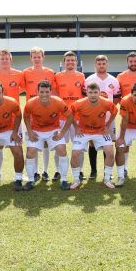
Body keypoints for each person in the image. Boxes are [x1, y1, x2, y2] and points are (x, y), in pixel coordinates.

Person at [23, 80, 74, 190]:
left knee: (62, 149)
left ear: (51, 91)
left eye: (47, 92)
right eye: (42, 92)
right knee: (30, 152)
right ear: (37, 92)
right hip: (36, 131)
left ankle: (64, 180)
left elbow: (70, 117)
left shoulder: (58, 102)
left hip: (53, 130)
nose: (44, 94)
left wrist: (62, 133)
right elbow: (26, 117)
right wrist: (30, 131)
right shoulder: (30, 103)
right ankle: (31, 180)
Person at [0, 49, 25, 183]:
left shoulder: (19, 74)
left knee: (17, 146)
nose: (4, 60)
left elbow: (25, 89)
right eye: (2, 58)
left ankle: (19, 174)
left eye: (7, 58)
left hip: (14, 115)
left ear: (10, 60)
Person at [70, 82, 118, 189]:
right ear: (86, 92)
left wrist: (108, 125)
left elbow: (115, 111)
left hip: (100, 131)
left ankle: (107, 180)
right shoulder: (79, 103)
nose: (92, 95)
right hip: (84, 132)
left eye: (95, 92)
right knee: (75, 154)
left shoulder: (106, 103)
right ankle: (76, 180)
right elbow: (70, 114)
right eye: (90, 92)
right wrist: (76, 127)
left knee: (110, 152)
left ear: (99, 93)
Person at [84, 55, 121, 180]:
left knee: (108, 145)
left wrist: (107, 110)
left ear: (107, 64)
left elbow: (116, 99)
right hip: (92, 117)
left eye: (103, 63)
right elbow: (85, 98)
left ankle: (107, 172)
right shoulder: (89, 79)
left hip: (108, 118)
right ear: (95, 65)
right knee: (92, 144)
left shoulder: (114, 80)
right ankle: (93, 171)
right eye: (99, 63)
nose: (101, 65)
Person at [22, 47, 56, 182]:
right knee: (33, 143)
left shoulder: (50, 72)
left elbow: (53, 91)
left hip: (47, 111)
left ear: (43, 57)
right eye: (34, 57)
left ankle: (45, 171)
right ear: (31, 58)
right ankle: (34, 172)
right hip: (31, 112)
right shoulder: (25, 73)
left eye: (39, 56)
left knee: (47, 144)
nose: (37, 59)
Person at [53, 51, 85, 181]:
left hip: (78, 118)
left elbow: (84, 96)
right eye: (68, 60)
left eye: (73, 60)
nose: (70, 62)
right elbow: (55, 95)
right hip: (61, 117)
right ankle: (58, 171)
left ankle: (80, 171)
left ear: (76, 62)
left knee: (79, 146)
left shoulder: (82, 76)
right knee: (59, 146)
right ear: (64, 62)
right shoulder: (58, 76)